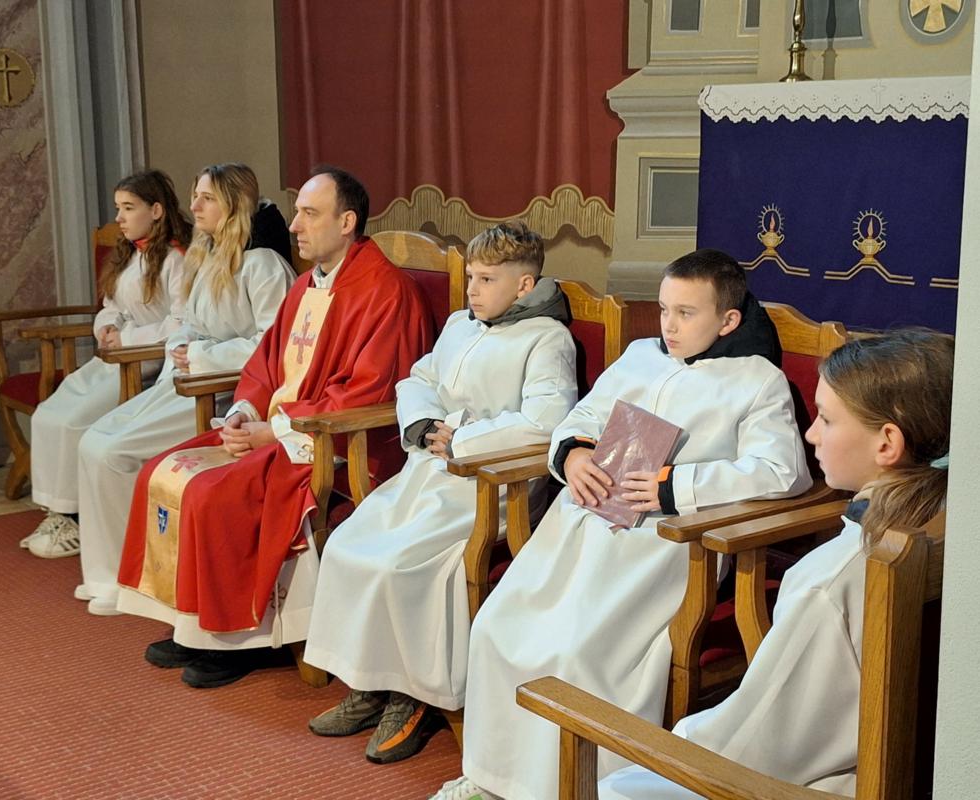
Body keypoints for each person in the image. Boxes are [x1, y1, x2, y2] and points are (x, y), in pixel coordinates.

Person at [431, 248, 814, 800]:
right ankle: (492, 778)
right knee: (496, 626)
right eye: (664, 310)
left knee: (574, 652)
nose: (669, 326)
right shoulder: (639, 356)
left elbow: (783, 471)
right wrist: (573, 455)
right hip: (580, 524)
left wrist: (674, 486)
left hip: (664, 543)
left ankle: (566, 788)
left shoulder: (757, 380)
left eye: (686, 313)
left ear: (728, 320)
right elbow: (582, 415)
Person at [114, 166, 436, 689]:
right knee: (166, 470)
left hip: (337, 443)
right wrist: (243, 413)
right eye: (296, 213)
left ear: (347, 222)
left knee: (215, 492)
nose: (293, 226)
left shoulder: (385, 292)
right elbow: (266, 364)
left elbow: (372, 391)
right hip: (278, 429)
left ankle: (240, 638)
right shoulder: (307, 285)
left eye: (309, 214)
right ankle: (195, 624)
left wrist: (277, 431)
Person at [598, 329, 953, 799]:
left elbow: (749, 747)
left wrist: (667, 744)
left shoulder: (833, 579)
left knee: (613, 785)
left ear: (887, 443)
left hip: (804, 782)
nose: (811, 433)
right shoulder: (947, 524)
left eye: (826, 419)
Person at [302, 221, 578, 764]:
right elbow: (418, 380)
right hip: (429, 473)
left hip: (493, 486)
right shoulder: (459, 324)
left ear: (525, 285)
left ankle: (416, 697)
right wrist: (426, 424)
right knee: (350, 545)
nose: (472, 289)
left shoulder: (548, 338)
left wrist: (465, 439)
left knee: (403, 566)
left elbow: (548, 421)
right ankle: (370, 683)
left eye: (487, 279)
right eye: (470, 277)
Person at [70, 163, 294, 614]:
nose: (194, 206)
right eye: (194, 196)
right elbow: (187, 321)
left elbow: (275, 346)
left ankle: (127, 580)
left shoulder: (263, 264)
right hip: (186, 379)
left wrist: (203, 356)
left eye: (206, 198)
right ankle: (103, 575)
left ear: (234, 204)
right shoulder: (206, 255)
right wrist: (180, 345)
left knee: (114, 454)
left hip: (225, 392)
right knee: (92, 440)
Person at [21, 169, 192, 558]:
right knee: (50, 413)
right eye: (118, 207)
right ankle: (57, 512)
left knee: (74, 420)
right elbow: (111, 305)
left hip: (146, 362)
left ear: (156, 210)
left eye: (128, 208)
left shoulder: (176, 259)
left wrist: (127, 340)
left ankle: (75, 517)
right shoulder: (130, 256)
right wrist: (108, 327)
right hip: (115, 357)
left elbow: (183, 322)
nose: (119, 217)